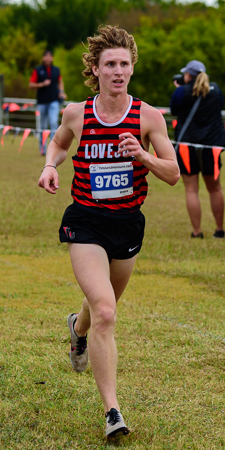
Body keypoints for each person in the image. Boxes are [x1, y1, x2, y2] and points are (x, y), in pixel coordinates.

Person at [38, 25, 180, 438]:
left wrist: (143, 155)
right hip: (85, 221)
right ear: (96, 70)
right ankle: (112, 412)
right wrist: (50, 164)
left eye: (124, 64)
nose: (118, 71)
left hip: (127, 223)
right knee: (105, 310)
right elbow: (61, 143)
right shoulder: (77, 113)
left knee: (100, 306)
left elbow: (172, 172)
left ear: (132, 69)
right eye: (110, 64)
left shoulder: (148, 116)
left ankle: (76, 330)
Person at [170, 60, 225, 238]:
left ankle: (197, 231)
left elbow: (174, 109)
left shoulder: (182, 91)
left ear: (188, 75)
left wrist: (179, 88)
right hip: (211, 146)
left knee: (191, 189)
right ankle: (219, 229)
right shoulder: (216, 90)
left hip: (188, 146)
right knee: (215, 188)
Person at [29, 50, 67, 155]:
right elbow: (31, 85)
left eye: (50, 56)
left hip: (54, 100)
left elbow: (60, 81)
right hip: (42, 102)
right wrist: (41, 84)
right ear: (43, 58)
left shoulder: (56, 70)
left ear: (52, 58)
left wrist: (61, 92)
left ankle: (53, 148)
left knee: (54, 123)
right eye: (46, 56)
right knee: (43, 125)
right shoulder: (38, 70)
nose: (48, 58)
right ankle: (43, 149)